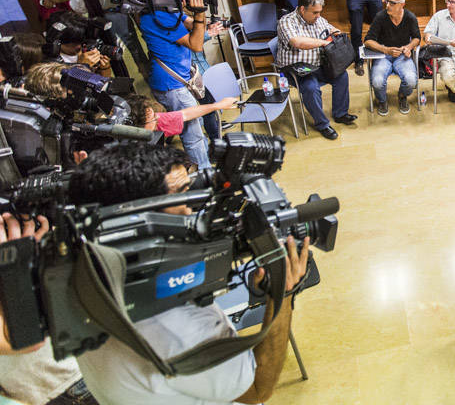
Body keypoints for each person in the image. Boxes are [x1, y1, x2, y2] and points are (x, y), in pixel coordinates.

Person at [68, 142, 308, 405]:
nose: (191, 210)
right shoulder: (175, 329)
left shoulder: (83, 263)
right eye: (182, 196)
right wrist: (282, 293)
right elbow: (258, 388)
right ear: (134, 217)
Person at [0, 212, 102, 405]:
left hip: (90, 366)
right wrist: (12, 264)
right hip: (61, 387)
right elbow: (25, 339)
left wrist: (33, 256)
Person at [138, 0, 211, 168]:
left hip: (176, 81)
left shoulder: (167, 12)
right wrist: (200, 13)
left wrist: (193, 12)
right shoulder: (158, 17)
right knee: (193, 134)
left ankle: (203, 162)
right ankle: (204, 174)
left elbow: (194, 25)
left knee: (195, 124)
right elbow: (196, 44)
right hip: (172, 85)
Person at [276, 0, 357, 139]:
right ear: (302, 9)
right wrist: (323, 42)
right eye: (315, 12)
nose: (318, 15)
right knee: (311, 87)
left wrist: (336, 32)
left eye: (320, 12)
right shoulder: (286, 22)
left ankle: (340, 114)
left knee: (342, 76)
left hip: (318, 65)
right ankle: (323, 124)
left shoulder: (317, 19)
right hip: (296, 69)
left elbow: (329, 28)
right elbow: (297, 42)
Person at [67, 0, 151, 80]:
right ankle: (147, 74)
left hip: (98, 19)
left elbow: (78, 7)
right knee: (135, 47)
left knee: (109, 52)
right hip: (119, 14)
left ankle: (122, 80)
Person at [364, 0, 420, 116]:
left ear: (402, 5)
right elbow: (368, 41)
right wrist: (385, 49)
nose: (387, 5)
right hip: (383, 55)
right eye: (386, 1)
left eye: (392, 3)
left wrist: (409, 47)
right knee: (377, 82)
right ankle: (382, 100)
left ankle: (402, 95)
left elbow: (417, 38)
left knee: (411, 81)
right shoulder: (380, 17)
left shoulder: (410, 17)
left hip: (402, 55)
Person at [123, 93, 238, 138]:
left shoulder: (154, 119)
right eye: (152, 119)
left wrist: (218, 105)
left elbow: (185, 114)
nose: (158, 119)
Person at [43, 11, 112, 77]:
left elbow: (103, 81)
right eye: (73, 43)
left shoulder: (86, 50)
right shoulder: (49, 65)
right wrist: (82, 67)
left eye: (80, 41)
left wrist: (105, 68)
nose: (79, 47)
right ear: (56, 42)